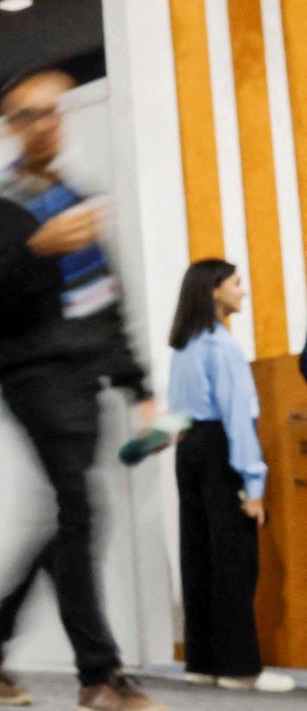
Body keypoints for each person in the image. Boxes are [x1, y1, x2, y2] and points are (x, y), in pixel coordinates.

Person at [0, 67, 165, 711]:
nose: (45, 124)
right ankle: (99, 674)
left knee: (73, 518)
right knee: (80, 507)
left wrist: (139, 388)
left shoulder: (77, 199)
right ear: (7, 128)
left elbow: (106, 303)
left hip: (84, 376)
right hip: (31, 377)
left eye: (53, 112)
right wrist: (34, 250)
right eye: (29, 115)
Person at [166, 260, 295, 693]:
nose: (243, 291)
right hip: (222, 449)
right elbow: (239, 419)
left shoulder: (184, 345)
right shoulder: (222, 347)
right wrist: (253, 488)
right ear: (215, 291)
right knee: (235, 561)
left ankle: (202, 663)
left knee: (199, 555)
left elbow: (176, 414)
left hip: (189, 449)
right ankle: (240, 669)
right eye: (237, 284)